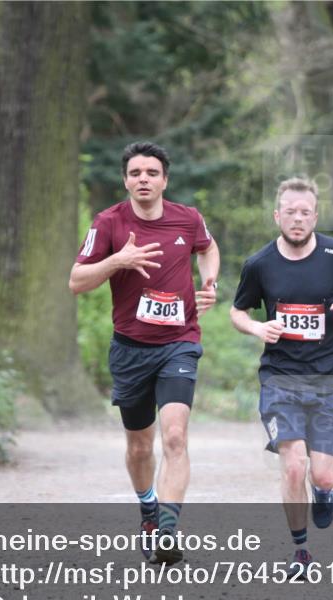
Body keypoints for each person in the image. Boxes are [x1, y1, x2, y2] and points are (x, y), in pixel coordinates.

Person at [69, 141, 219, 566]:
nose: (144, 179)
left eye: (152, 173)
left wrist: (210, 282)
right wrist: (118, 260)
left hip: (179, 343)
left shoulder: (188, 218)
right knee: (140, 447)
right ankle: (148, 510)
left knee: (174, 436)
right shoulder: (109, 222)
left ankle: (168, 531)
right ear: (126, 181)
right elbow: (77, 281)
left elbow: (207, 248)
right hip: (131, 349)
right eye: (135, 173)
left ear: (165, 180)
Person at [230, 176, 333, 572]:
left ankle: (324, 492)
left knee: (322, 476)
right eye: (290, 212)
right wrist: (257, 328)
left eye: (305, 212)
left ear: (315, 217)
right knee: (293, 465)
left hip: (332, 380)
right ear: (277, 216)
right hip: (281, 379)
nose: (297, 218)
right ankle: (301, 551)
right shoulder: (259, 264)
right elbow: (238, 311)